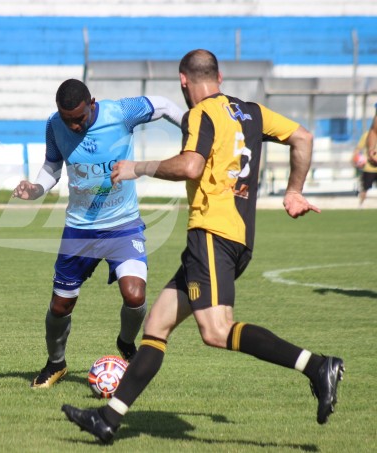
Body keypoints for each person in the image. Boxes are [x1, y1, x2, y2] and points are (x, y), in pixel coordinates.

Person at [61, 49, 344, 443]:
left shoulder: (200, 114)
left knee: (215, 330)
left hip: (211, 233)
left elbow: (191, 166)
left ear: (183, 81)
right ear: (220, 76)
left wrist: (136, 168)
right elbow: (303, 137)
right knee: (156, 326)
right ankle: (108, 419)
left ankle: (316, 366)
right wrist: (294, 191)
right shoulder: (252, 112)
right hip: (237, 236)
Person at [12, 79, 184, 388]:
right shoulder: (54, 125)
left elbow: (163, 104)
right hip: (79, 230)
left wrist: (193, 130)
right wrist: (36, 188)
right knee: (60, 306)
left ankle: (126, 343)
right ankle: (56, 363)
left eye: (79, 117)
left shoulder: (121, 112)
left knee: (135, 295)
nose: (74, 126)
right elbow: (52, 167)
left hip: (123, 224)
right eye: (68, 120)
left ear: (92, 103)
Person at [352, 104, 377, 206]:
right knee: (364, 189)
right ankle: (360, 205)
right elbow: (374, 130)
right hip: (369, 168)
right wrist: (371, 150)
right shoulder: (367, 135)